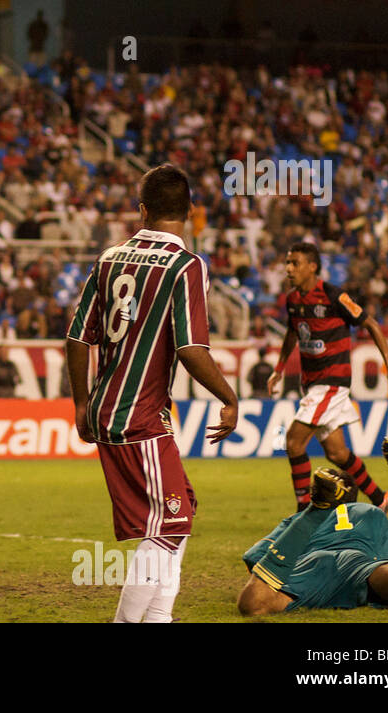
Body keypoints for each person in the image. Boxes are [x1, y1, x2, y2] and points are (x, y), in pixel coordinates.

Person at [65, 164, 239, 623]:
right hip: (137, 416)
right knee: (170, 522)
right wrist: (230, 397)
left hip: (108, 409)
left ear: (142, 210)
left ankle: (158, 618)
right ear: (190, 212)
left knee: (180, 507)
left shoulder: (109, 258)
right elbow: (191, 350)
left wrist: (81, 403)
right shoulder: (185, 266)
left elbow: (78, 336)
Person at [266, 242, 388, 512]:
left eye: (294, 263)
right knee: (336, 453)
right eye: (287, 262)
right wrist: (279, 368)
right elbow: (292, 332)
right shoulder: (293, 300)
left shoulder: (334, 296)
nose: (288, 268)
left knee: (294, 442)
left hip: (332, 382)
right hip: (313, 384)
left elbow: (371, 324)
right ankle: (380, 498)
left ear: (312, 266)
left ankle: (303, 511)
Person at [236, 434, 388, 615]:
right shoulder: (373, 513)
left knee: (254, 605)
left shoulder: (294, 522)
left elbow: (253, 556)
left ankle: (317, 511)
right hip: (364, 566)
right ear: (353, 499)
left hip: (312, 568)